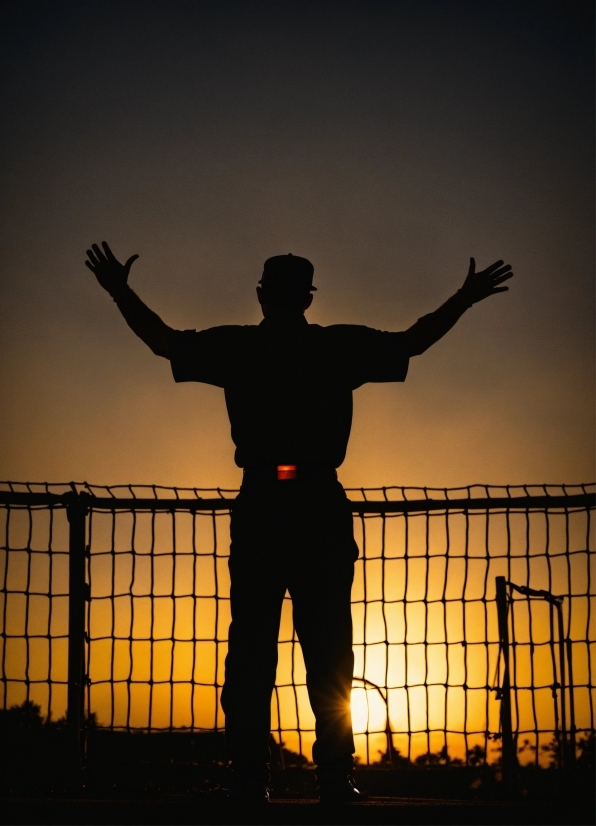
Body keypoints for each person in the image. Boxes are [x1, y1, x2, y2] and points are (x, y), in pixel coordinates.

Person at [84, 243, 513, 802]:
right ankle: (333, 778)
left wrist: (119, 291)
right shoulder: (335, 346)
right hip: (317, 504)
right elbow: (413, 342)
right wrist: (464, 298)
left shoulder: (241, 347)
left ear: (262, 295)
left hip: (264, 503)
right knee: (328, 647)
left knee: (253, 649)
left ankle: (249, 779)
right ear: (308, 298)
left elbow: (163, 342)